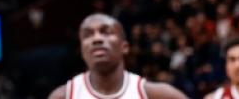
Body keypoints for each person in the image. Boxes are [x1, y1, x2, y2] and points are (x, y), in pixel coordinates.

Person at [46, 14, 188, 99]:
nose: (97, 39)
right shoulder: (63, 96)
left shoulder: (157, 94)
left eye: (106, 32)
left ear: (124, 46)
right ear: (82, 51)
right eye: (88, 35)